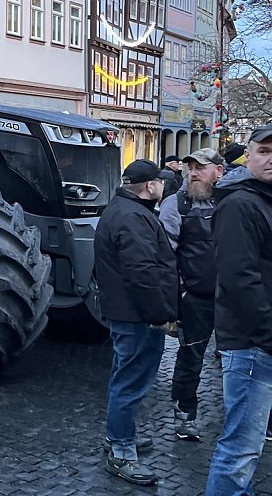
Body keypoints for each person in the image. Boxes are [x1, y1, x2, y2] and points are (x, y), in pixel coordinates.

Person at [94, 159, 179, 486]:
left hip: (125, 312)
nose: (163, 186)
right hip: (138, 316)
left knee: (123, 376)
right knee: (130, 382)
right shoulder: (134, 217)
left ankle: (119, 435)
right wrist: (159, 314)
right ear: (150, 186)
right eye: (161, 182)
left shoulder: (119, 209)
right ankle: (121, 452)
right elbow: (143, 272)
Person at [205, 125, 272, 495]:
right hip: (252, 345)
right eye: (263, 151)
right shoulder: (240, 204)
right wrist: (268, 335)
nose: (271, 158)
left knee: (249, 448)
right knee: (240, 451)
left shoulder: (263, 199)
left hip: (260, 341)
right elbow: (239, 279)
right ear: (249, 157)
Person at [159, 148, 224, 441]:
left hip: (232, 298)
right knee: (190, 357)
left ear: (218, 171)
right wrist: (177, 295)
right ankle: (185, 415)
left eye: (201, 167)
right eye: (191, 168)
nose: (194, 173)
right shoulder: (177, 204)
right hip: (195, 298)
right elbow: (165, 255)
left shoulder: (231, 202)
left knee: (242, 359)